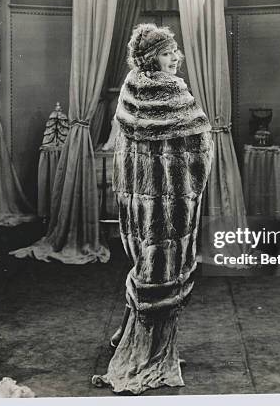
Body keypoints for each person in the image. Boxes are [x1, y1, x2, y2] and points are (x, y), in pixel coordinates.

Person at [92, 24, 213, 394]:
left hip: (139, 204)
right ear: (150, 58)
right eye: (166, 53)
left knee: (145, 267)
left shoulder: (130, 87)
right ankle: (153, 354)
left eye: (175, 51)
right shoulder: (173, 90)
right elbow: (200, 143)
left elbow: (122, 153)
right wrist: (196, 171)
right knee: (165, 274)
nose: (175, 58)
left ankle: (140, 342)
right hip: (171, 202)